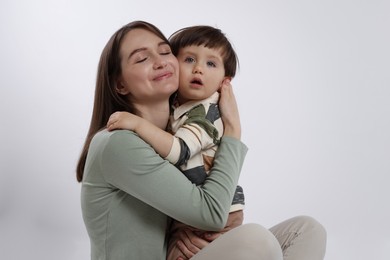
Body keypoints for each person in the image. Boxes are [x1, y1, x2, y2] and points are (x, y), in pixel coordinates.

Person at [77, 20, 327, 260]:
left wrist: (196, 238)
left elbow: (194, 211)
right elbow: (212, 215)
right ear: (120, 84)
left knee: (306, 231)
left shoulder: (178, 131)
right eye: (142, 58)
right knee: (257, 241)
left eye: (165, 52)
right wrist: (232, 129)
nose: (159, 62)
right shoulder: (118, 142)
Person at [106, 25, 245, 260]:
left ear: (225, 82)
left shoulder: (204, 114)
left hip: (218, 213)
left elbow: (179, 150)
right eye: (189, 59)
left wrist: (137, 123)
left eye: (211, 64)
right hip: (200, 213)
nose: (199, 68)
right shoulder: (177, 112)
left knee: (302, 230)